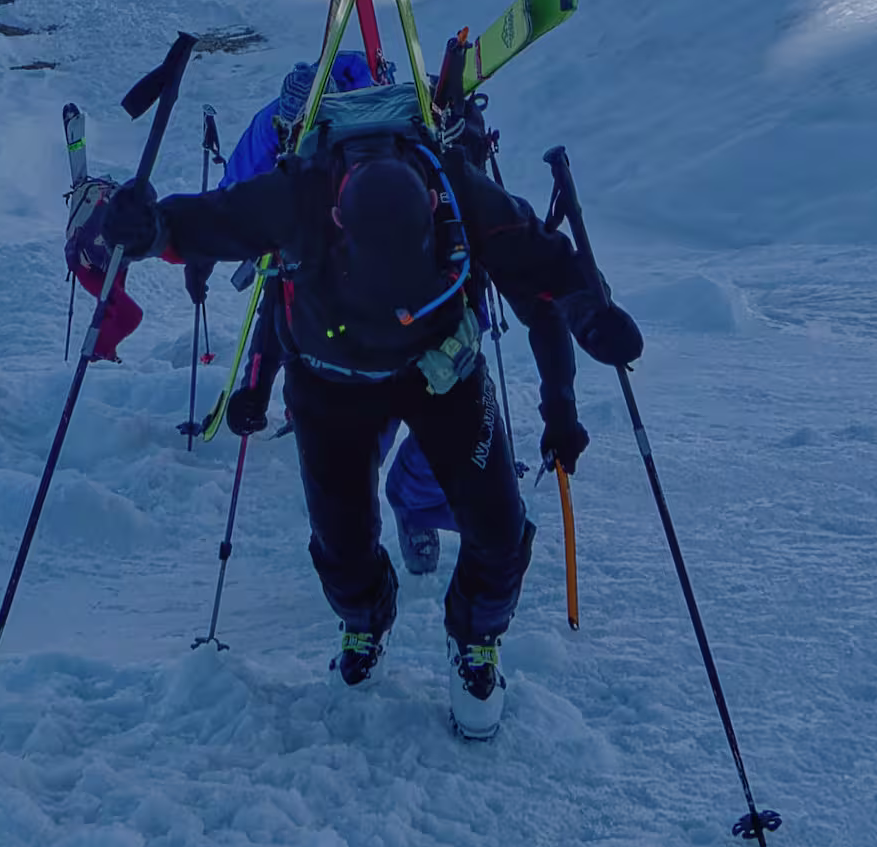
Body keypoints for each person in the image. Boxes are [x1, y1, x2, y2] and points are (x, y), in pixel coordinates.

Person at [83, 89, 640, 732]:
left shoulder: (462, 190)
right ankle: (364, 621)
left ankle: (476, 640)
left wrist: (589, 320)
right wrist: (147, 229)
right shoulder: (298, 194)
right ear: (338, 221)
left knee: (498, 528)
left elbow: (549, 271)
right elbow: (204, 222)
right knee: (341, 543)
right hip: (331, 385)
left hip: (442, 372)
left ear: (432, 208)